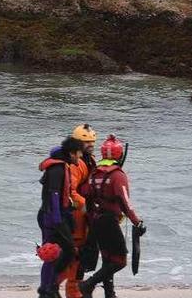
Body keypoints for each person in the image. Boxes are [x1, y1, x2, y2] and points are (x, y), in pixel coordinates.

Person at [79, 135, 145, 298]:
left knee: (108, 259)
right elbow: (125, 202)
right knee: (119, 261)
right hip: (109, 221)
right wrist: (137, 222)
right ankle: (88, 285)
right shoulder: (118, 175)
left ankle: (110, 294)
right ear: (120, 155)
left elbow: (85, 192)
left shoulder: (94, 173)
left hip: (96, 221)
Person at [37, 136, 85, 298]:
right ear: (72, 153)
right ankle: (47, 289)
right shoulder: (57, 169)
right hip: (52, 218)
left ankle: (49, 287)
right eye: (79, 153)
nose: (80, 157)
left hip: (56, 216)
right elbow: (54, 195)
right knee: (56, 253)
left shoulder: (63, 165)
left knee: (60, 253)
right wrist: (57, 220)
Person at [65, 124, 98, 298]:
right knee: (76, 257)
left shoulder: (89, 159)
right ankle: (73, 293)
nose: (91, 145)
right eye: (87, 142)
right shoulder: (76, 164)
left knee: (81, 257)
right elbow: (72, 191)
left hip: (85, 216)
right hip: (77, 216)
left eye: (92, 141)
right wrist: (86, 206)